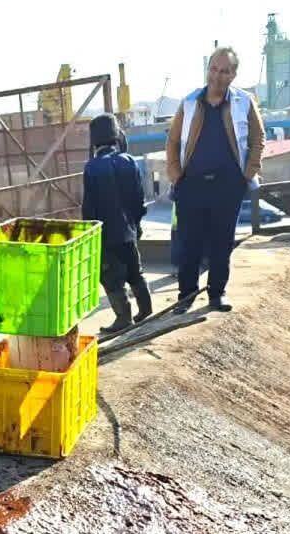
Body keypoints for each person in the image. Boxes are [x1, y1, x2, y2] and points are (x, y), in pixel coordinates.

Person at [165, 47, 265, 314]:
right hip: (192, 185)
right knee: (190, 244)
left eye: (224, 71)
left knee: (222, 243)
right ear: (207, 69)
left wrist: (247, 173)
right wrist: (176, 175)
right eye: (213, 69)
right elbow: (173, 141)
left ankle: (217, 294)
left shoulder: (244, 102)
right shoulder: (189, 103)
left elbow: (258, 138)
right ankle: (186, 297)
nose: (217, 76)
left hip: (228, 185)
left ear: (233, 75)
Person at [83, 113, 152, 335]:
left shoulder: (92, 167)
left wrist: (89, 235)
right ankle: (146, 309)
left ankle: (124, 318)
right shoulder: (129, 161)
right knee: (135, 271)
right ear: (116, 136)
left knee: (111, 278)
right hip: (129, 231)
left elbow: (89, 209)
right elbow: (139, 199)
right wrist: (136, 225)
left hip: (107, 236)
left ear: (94, 141)